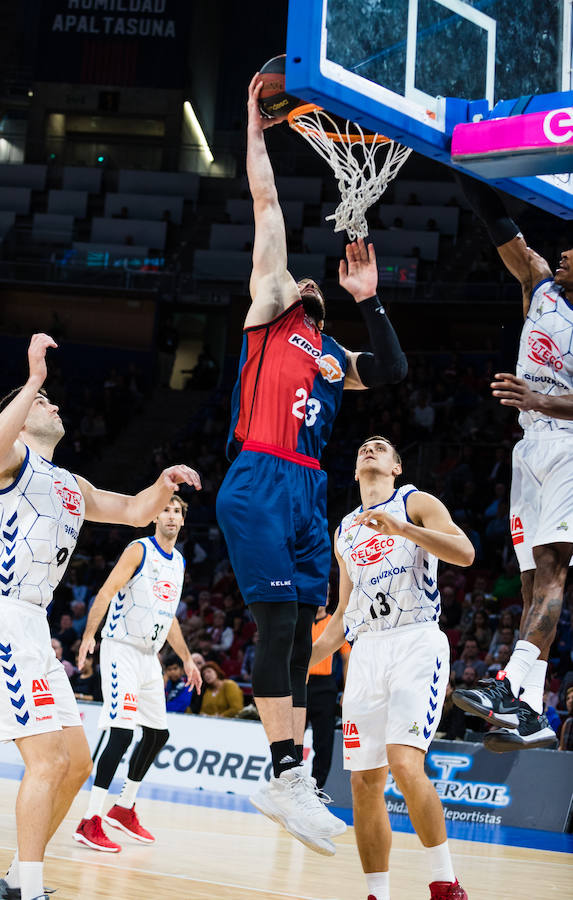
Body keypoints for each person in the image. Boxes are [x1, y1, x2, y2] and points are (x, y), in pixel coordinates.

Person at [215, 73, 407, 857]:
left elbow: (390, 373)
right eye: (301, 279)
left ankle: (291, 778)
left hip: (306, 487)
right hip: (259, 474)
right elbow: (266, 210)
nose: (302, 277)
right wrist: (256, 133)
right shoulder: (271, 313)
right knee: (278, 622)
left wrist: (369, 296)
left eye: (312, 282)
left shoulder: (331, 353)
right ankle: (280, 772)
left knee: (301, 632)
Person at [0, 333, 201, 900]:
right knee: (43, 759)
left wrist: (161, 486)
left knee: (76, 762)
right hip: (4, 615)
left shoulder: (71, 484)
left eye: (52, 399)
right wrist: (34, 379)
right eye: (44, 402)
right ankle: (30, 891)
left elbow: (134, 511)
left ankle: (18, 878)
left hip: (34, 623)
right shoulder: (11, 458)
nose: (55, 405)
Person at [309, 435, 474, 900]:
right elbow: (343, 615)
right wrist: (300, 666)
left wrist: (402, 529)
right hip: (366, 652)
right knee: (363, 782)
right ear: (356, 467)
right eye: (363, 445)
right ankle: (376, 893)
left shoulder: (416, 500)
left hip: (416, 641)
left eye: (381, 447)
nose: (370, 448)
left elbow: (465, 553)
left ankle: (444, 883)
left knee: (404, 763)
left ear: (396, 467)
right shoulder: (344, 530)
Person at [453, 174, 573, 752]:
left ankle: (508, 684)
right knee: (531, 584)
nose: (565, 250)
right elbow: (500, 225)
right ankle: (531, 710)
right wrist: (457, 157)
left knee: (552, 569)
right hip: (530, 446)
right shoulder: (541, 284)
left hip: (570, 445)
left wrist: (541, 398)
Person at [74, 495, 202, 853]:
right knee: (121, 734)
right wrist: (89, 635)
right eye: (165, 509)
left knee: (158, 734)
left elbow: (170, 616)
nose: (171, 515)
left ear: (182, 519)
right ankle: (90, 820)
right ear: (153, 516)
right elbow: (107, 590)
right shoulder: (138, 549)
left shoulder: (177, 561)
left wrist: (188, 659)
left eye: (177, 511)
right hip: (121, 650)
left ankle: (124, 807)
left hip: (150, 657)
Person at [306, 602, 342, 790]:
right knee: (291, 739)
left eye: (326, 593)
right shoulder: (300, 620)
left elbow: (347, 657)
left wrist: (348, 689)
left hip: (324, 687)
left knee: (323, 743)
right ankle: (289, 787)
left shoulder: (333, 622)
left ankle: (316, 790)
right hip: (299, 683)